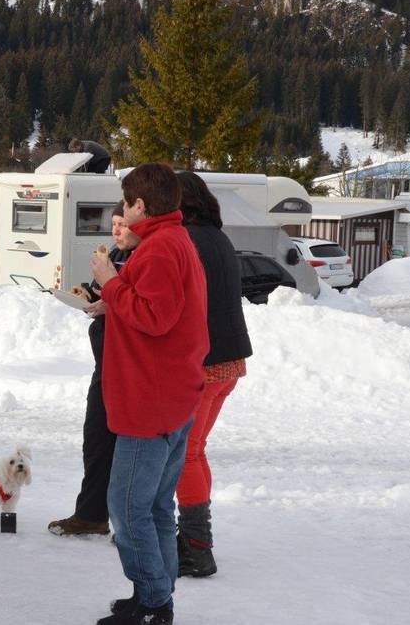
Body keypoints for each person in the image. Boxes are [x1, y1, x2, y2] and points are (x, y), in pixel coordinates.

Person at [90, 162, 209, 625]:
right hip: (171, 396)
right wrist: (112, 302)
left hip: (151, 401)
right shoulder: (172, 240)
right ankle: (153, 593)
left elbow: (155, 318)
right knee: (155, 504)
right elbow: (160, 310)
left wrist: (110, 280)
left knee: (125, 507)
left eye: (125, 202)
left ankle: (155, 603)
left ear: (140, 205)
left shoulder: (159, 248)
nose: (122, 210)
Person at [174, 171, 253, 578]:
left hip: (204, 361)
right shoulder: (218, 236)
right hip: (230, 361)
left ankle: (196, 548)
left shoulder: (186, 240)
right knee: (196, 449)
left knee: (185, 454)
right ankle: (193, 539)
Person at [48, 201, 138, 536]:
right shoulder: (115, 253)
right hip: (106, 360)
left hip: (125, 364)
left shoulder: (141, 258)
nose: (116, 230)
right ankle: (92, 514)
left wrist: (108, 304)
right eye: (113, 224)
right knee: (95, 439)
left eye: (122, 224)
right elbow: (109, 296)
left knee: (123, 446)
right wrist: (88, 294)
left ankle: (127, 525)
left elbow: (136, 308)